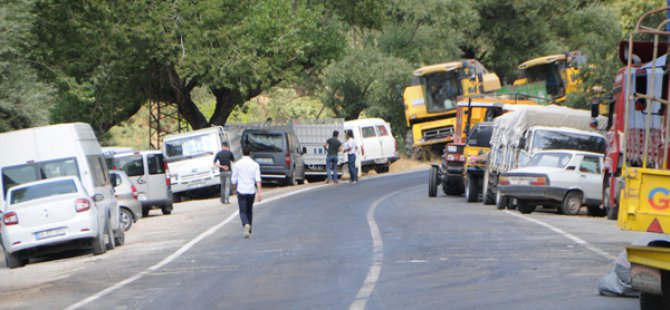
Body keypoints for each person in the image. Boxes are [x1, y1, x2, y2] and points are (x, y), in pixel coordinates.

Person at [231, 145, 262, 239]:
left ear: (242, 152)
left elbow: (234, 179)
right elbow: (258, 179)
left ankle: (246, 224)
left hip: (241, 190)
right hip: (251, 190)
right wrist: (260, 192)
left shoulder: (237, 164)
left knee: (242, 211)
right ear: (250, 152)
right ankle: (249, 228)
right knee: (249, 210)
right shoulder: (255, 164)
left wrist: (234, 188)